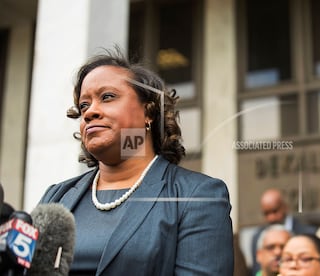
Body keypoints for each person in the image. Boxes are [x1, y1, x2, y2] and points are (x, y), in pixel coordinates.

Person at [37, 49, 234, 275]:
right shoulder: (56, 197)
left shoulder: (196, 196)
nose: (90, 112)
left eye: (107, 97)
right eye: (84, 105)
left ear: (148, 111)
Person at [251, 188, 316, 275]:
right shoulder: (257, 237)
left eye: (275, 211)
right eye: (266, 213)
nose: (271, 217)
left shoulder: (307, 234)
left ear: (285, 207)